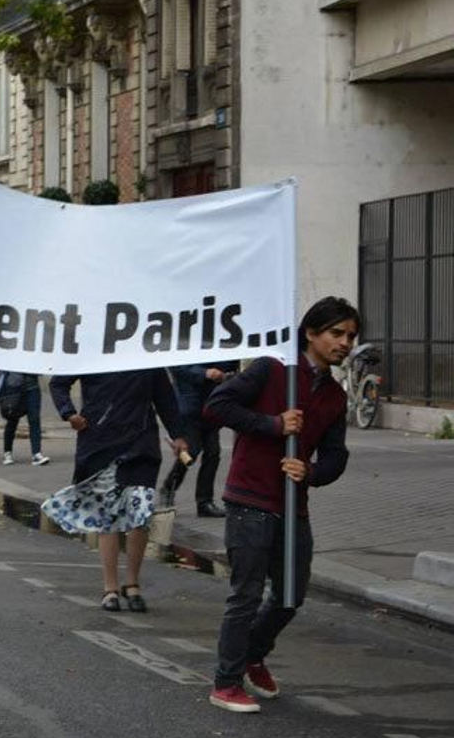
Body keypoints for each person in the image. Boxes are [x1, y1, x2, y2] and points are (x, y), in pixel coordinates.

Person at [205, 298, 357, 714]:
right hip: (250, 498)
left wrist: (311, 473)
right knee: (247, 594)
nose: (344, 343)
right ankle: (226, 681)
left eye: (350, 336)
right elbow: (218, 406)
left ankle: (253, 653)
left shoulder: (335, 395)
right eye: (336, 333)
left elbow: (336, 456)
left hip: (294, 504)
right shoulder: (272, 369)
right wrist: (272, 425)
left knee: (290, 594)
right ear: (311, 333)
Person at [44, 370, 188, 612]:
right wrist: (69, 413)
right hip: (101, 444)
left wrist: (179, 435)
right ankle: (110, 588)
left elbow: (165, 397)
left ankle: (132, 584)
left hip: (141, 446)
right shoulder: (93, 350)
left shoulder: (148, 353)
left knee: (140, 515)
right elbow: (58, 383)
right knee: (107, 516)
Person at [161, 361, 239, 516]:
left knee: (213, 453)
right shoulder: (186, 341)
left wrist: (229, 374)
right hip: (190, 405)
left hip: (212, 404)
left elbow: (231, 364)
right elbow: (176, 366)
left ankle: (204, 502)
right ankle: (170, 486)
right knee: (192, 451)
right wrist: (204, 373)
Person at [0, 371, 50, 466]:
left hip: (32, 388)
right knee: (12, 419)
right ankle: (7, 452)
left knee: (34, 419)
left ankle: (36, 454)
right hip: (13, 387)